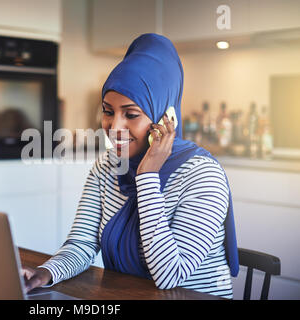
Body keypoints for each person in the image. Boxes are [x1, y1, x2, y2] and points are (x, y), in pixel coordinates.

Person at [21, 33, 239, 299]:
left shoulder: (203, 176)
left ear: (165, 117)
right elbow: (82, 244)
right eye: (108, 111)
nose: (114, 128)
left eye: (131, 114)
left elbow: (169, 276)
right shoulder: (106, 167)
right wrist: (46, 273)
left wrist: (147, 175)